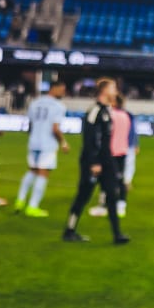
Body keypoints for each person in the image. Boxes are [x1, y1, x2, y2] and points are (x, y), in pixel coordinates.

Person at [62, 78, 130, 245]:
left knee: (112, 195)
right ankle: (69, 231)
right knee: (83, 196)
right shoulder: (94, 111)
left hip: (107, 161)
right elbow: (90, 139)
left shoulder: (107, 111)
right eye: (113, 87)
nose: (116, 91)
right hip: (93, 163)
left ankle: (117, 234)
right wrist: (94, 162)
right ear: (104, 90)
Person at [15, 79, 69, 217]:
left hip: (34, 141)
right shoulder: (59, 106)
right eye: (62, 90)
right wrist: (63, 142)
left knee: (32, 170)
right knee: (43, 173)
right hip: (48, 143)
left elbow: (30, 124)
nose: (63, 92)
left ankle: (20, 200)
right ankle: (32, 206)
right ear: (54, 88)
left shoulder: (35, 102)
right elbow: (55, 128)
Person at [90, 93, 132, 218]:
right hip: (122, 151)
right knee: (120, 179)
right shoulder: (126, 115)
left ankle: (103, 206)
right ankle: (121, 206)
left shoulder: (109, 115)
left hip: (110, 152)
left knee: (105, 180)